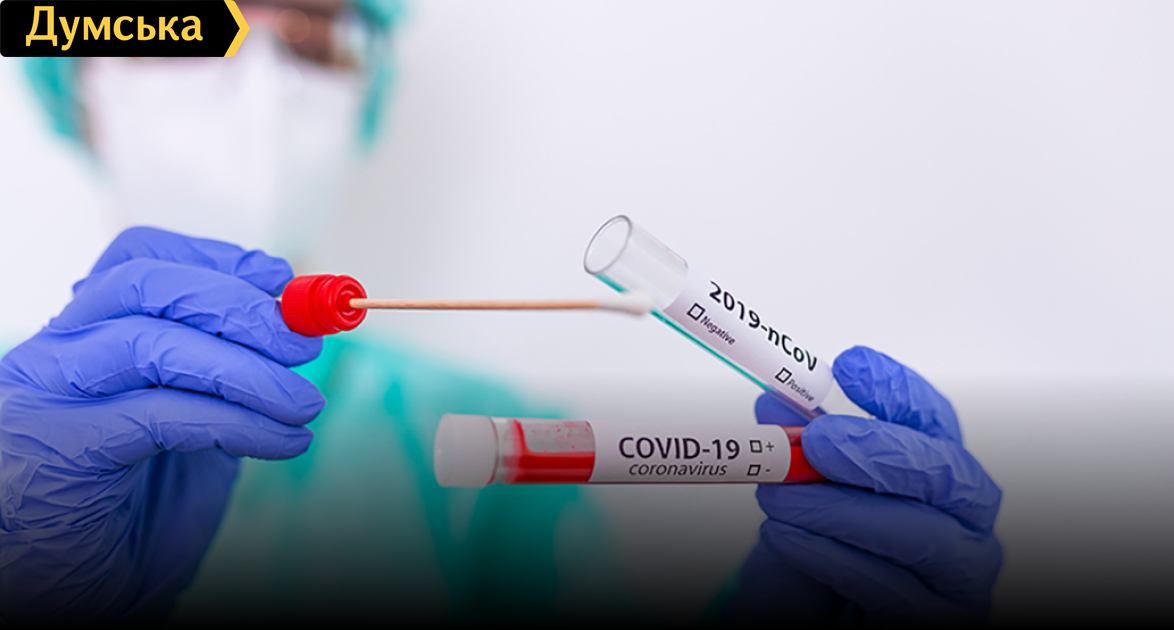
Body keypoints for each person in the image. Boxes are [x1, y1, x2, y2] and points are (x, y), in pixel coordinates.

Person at [0, 0, 1003, 623]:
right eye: (187, 35)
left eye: (310, 41)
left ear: (366, 80)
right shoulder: (20, 441)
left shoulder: (490, 448)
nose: (258, 96)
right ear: (72, 83)